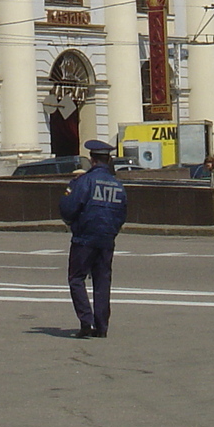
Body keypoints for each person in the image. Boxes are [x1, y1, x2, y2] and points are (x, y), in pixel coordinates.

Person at [59, 139, 128, 339]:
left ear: (92, 159)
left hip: (85, 238)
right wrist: (112, 231)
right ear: (108, 160)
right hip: (106, 239)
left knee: (76, 279)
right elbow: (122, 213)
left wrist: (72, 224)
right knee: (102, 281)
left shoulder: (84, 181)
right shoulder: (117, 184)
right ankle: (102, 326)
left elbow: (68, 207)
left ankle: (86, 321)